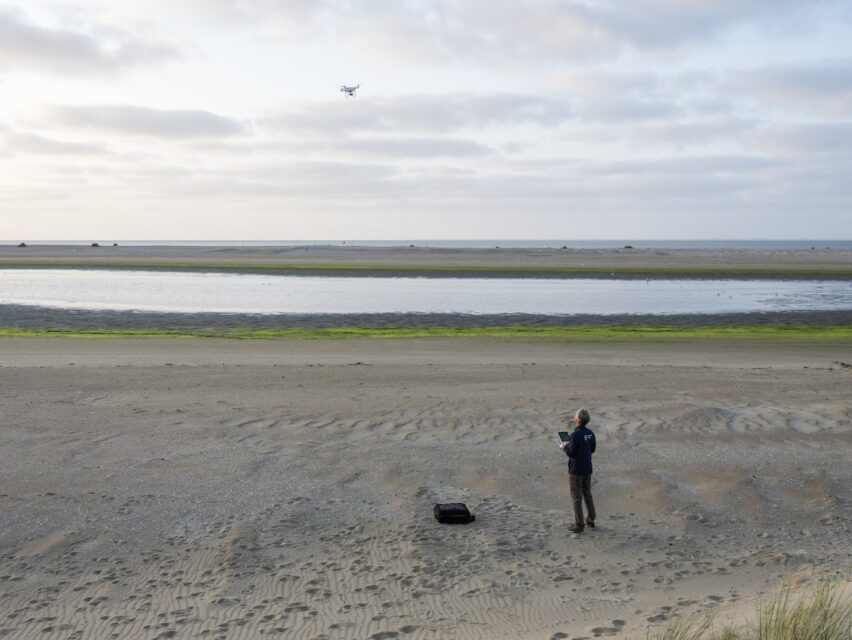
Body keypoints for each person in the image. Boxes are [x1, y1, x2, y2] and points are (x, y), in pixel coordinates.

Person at [559, 408, 597, 533]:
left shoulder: (575, 435)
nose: (574, 417)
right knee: (587, 494)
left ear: (578, 420)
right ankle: (590, 520)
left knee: (577, 497)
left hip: (576, 470)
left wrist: (564, 448)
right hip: (587, 468)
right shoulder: (590, 433)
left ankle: (579, 524)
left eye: (575, 416)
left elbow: (571, 452)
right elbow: (592, 449)